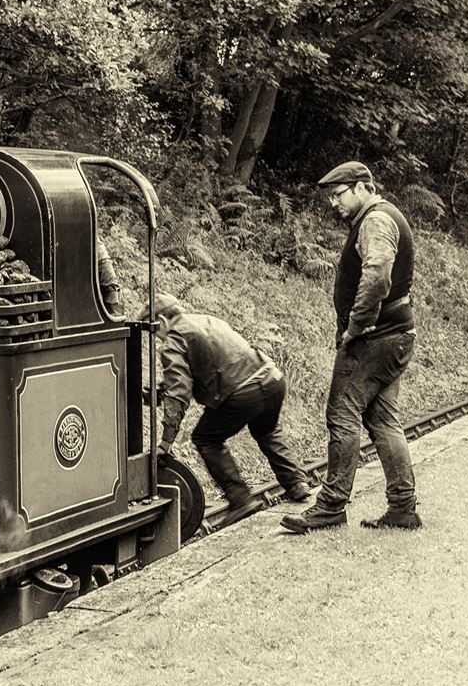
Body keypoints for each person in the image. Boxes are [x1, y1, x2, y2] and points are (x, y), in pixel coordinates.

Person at [282, 161, 421, 534]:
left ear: (362, 187)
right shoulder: (383, 216)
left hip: (373, 338)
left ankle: (330, 506)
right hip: (396, 334)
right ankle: (403, 507)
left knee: (341, 415)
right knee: (382, 420)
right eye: (330, 196)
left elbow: (377, 273)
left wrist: (356, 326)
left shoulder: (375, 221)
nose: (333, 203)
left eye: (338, 194)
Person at [148, 293, 314, 531]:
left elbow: (179, 393)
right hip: (272, 378)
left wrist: (166, 442)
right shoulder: (206, 320)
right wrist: (160, 389)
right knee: (266, 430)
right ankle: (297, 483)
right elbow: (212, 363)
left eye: (154, 331)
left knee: (206, 438)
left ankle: (240, 499)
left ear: (162, 321)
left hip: (243, 392)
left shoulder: (174, 340)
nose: (157, 337)